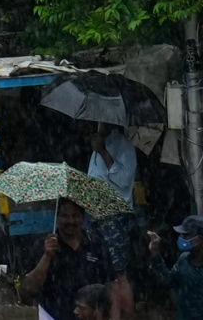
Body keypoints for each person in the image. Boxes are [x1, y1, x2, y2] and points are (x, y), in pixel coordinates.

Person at [22, 199, 116, 320]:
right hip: (52, 315)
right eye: (65, 216)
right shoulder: (42, 246)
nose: (71, 221)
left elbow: (110, 287)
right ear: (57, 217)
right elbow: (30, 287)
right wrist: (47, 256)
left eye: (75, 216)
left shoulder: (96, 244)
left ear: (83, 217)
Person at [86, 123, 137, 317]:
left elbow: (123, 179)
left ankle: (126, 315)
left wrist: (103, 151)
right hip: (95, 213)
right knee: (100, 270)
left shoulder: (123, 145)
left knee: (118, 274)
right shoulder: (98, 143)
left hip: (114, 216)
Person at [148, 216, 203, 320]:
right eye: (181, 234)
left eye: (186, 235)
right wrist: (155, 253)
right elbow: (167, 280)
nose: (181, 237)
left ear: (200, 239)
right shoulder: (184, 260)